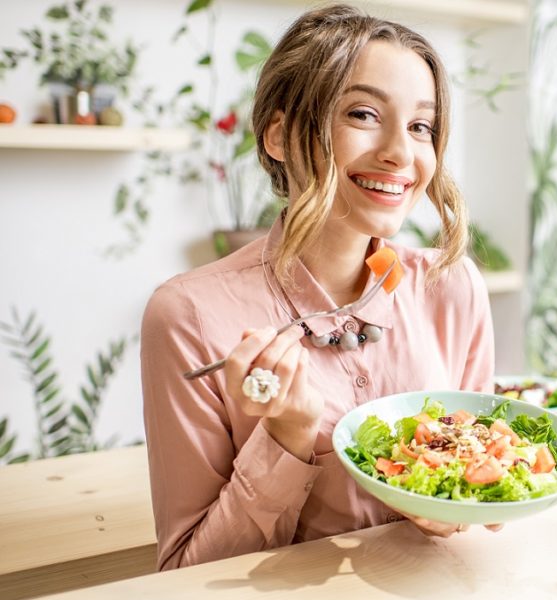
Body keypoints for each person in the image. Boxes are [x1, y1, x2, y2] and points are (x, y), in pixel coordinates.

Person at [140, 4, 496, 571]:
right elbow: (185, 575)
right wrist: (286, 436)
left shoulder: (451, 287)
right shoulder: (188, 315)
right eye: (362, 113)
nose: (401, 153)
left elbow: (488, 499)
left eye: (420, 126)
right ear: (279, 135)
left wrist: (459, 504)